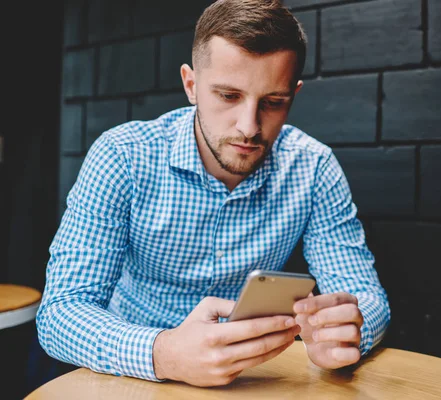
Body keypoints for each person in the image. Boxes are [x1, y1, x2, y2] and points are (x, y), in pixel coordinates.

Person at [36, 0, 390, 387]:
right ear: (191, 85)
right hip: (133, 378)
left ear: (294, 94)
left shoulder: (314, 167)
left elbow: (365, 298)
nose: (249, 127)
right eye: (228, 96)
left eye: (274, 102)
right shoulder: (123, 155)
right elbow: (60, 313)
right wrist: (164, 353)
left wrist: (347, 332)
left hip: (255, 380)